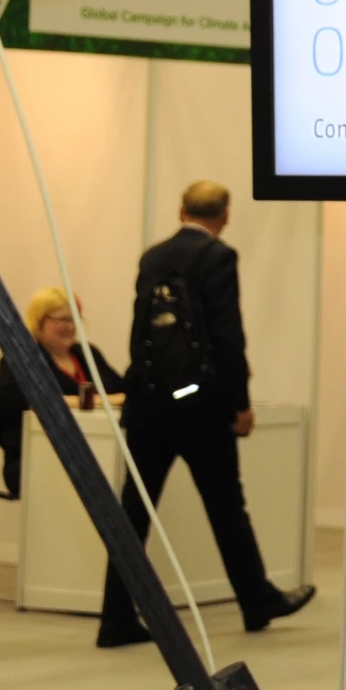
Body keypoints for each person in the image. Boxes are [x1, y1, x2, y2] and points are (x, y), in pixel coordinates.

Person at [96, 180, 315, 648]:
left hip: (150, 405)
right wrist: (239, 403)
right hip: (200, 409)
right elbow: (228, 336)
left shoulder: (152, 257)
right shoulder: (218, 257)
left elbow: (141, 332)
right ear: (226, 215)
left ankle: (115, 616)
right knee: (226, 508)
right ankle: (257, 600)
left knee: (134, 510)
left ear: (181, 210)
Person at [0, 287, 124, 497]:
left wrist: (70, 401)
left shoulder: (88, 354)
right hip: (33, 458)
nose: (70, 327)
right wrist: (95, 401)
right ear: (39, 320)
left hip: (97, 453)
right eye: (62, 319)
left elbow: (124, 395)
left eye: (75, 319)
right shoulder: (20, 359)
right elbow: (22, 403)